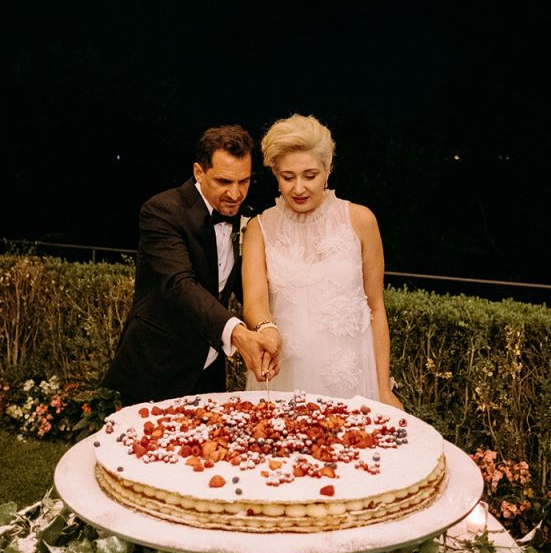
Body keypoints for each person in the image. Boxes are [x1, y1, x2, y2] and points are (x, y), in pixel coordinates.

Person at [102, 124, 279, 405]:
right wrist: (237, 333)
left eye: (243, 182)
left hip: (209, 367)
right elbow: (179, 285)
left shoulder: (246, 218)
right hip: (157, 367)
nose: (235, 194)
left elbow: (246, 287)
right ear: (199, 172)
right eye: (224, 182)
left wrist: (268, 326)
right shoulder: (162, 211)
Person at [241, 113, 402, 408]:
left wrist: (383, 389)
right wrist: (266, 327)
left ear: (327, 170)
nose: (299, 188)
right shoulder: (258, 228)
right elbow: (254, 302)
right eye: (288, 177)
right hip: (283, 377)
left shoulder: (361, 220)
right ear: (275, 174)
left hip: (352, 380)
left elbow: (376, 307)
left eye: (310, 175)